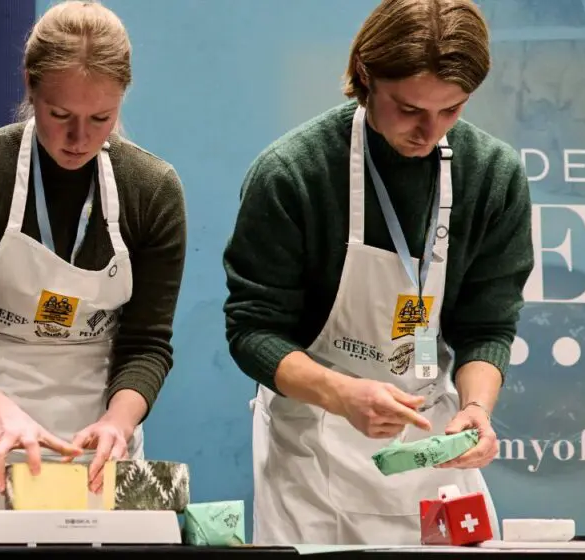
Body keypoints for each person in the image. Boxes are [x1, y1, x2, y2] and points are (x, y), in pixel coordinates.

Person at [222, 0, 533, 546]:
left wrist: (477, 409)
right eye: (409, 108)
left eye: (451, 110)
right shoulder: (294, 173)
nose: (429, 131)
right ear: (365, 75)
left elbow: (486, 327)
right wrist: (342, 395)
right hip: (315, 445)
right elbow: (253, 331)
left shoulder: (493, 175)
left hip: (433, 437)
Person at [0, 0, 187, 507]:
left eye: (102, 117)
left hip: (99, 449)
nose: (80, 139)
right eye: (61, 116)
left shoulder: (151, 189)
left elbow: (146, 344)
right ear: (30, 88)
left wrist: (119, 422)